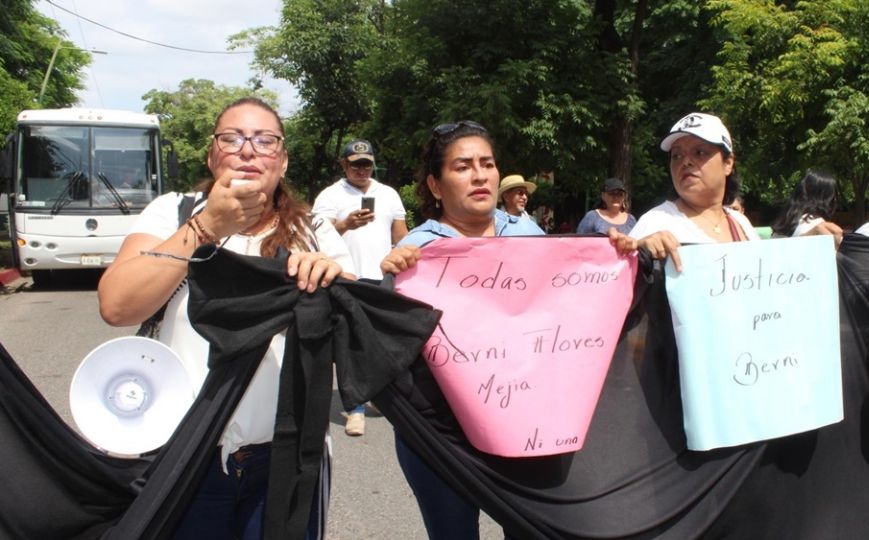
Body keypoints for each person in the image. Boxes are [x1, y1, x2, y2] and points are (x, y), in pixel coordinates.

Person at [98, 97, 355, 540]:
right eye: (232, 138)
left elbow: (353, 335)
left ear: (284, 159)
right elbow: (118, 306)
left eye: (265, 140)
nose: (248, 150)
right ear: (212, 154)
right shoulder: (172, 213)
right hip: (184, 455)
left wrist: (335, 279)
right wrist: (207, 228)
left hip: (285, 460)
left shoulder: (314, 230)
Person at [380, 120, 542, 540]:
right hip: (441, 436)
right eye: (463, 166)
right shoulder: (415, 253)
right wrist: (390, 286)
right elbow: (388, 347)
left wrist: (624, 255)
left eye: (487, 164)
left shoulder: (530, 236)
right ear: (436, 186)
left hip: (523, 422)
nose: (479, 175)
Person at [311, 138, 409, 436]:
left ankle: (381, 396)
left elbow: (401, 234)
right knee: (349, 343)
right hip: (347, 278)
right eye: (355, 165)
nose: (362, 170)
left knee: (381, 341)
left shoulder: (389, 194)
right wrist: (345, 224)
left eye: (366, 164)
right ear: (344, 165)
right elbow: (316, 236)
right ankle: (355, 408)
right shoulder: (330, 195)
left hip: (383, 277)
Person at [611, 112, 759, 268]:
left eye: (700, 152)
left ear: (728, 163)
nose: (686, 161)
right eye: (677, 155)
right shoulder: (656, 222)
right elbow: (619, 281)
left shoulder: (741, 223)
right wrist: (636, 254)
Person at [770, 169, 845, 247]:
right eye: (834, 196)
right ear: (826, 199)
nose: (835, 200)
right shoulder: (815, 224)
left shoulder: (786, 220)